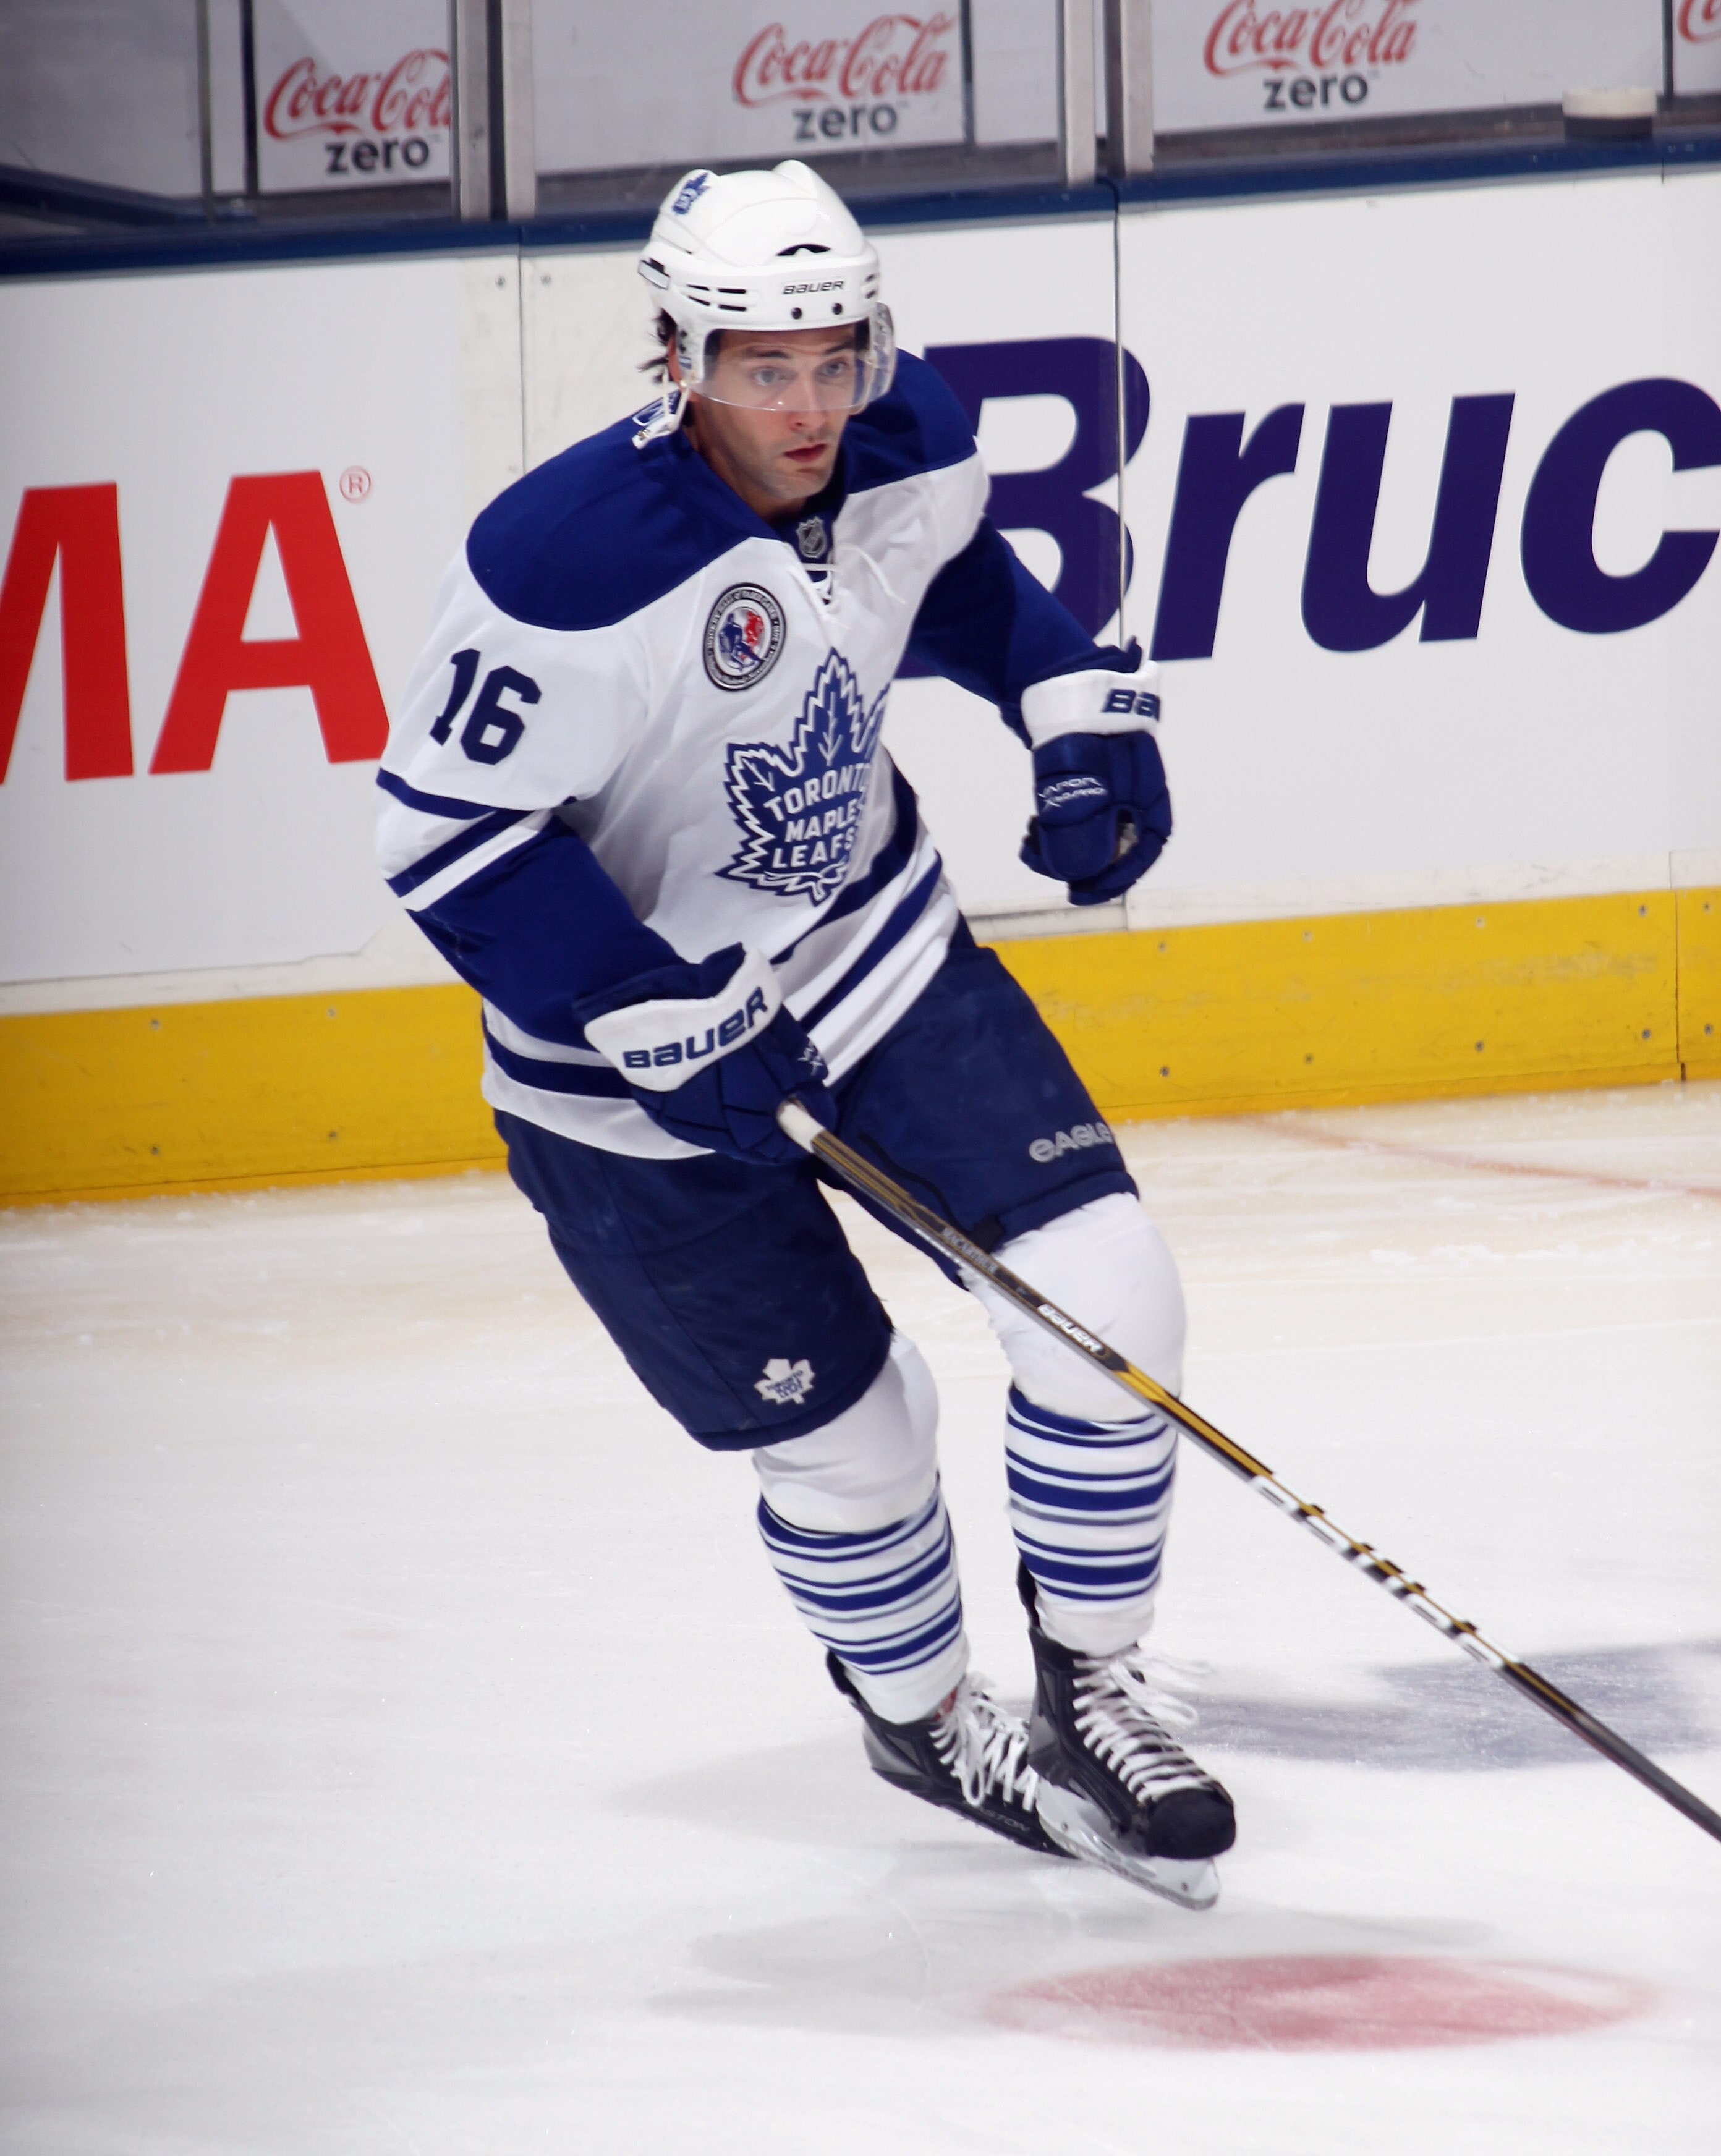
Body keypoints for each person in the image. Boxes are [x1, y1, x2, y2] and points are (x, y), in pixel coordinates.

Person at [376, 160, 1235, 1906]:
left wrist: (1075, 714)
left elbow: (964, 583)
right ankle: (925, 1719)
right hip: (623, 1090)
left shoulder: (904, 434)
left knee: (1110, 1296)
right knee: (857, 1436)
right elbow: (445, 840)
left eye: (836, 359)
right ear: (680, 355)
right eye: (763, 368)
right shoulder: (566, 562)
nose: (809, 405)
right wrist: (642, 1007)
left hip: (875, 954)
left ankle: (1093, 1685)